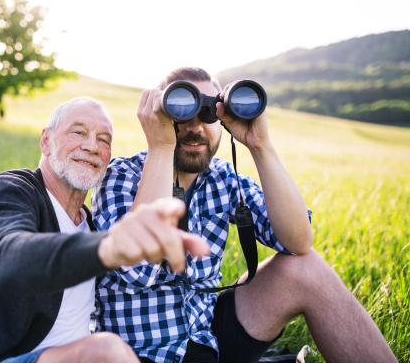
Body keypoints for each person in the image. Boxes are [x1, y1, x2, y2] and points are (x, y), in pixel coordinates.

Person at [92, 68, 397, 363]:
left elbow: (298, 242)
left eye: (209, 113)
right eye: (181, 112)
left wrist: (260, 145)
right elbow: (137, 271)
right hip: (138, 352)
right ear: (159, 115)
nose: (195, 127)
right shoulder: (122, 176)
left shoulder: (223, 177)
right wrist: (160, 146)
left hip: (207, 338)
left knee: (306, 268)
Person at [0, 96, 210, 363]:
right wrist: (108, 247)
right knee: (106, 350)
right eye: (78, 133)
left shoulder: (89, 222)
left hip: (62, 355)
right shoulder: (12, 190)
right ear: (46, 141)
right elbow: (9, 257)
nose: (91, 146)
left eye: (104, 139)